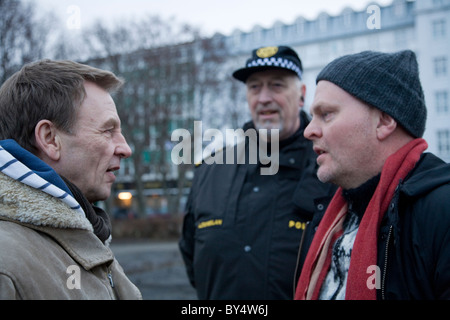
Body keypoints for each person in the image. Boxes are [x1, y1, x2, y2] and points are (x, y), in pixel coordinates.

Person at [179, 46, 336, 299]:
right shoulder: (210, 170)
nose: (264, 98)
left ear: (302, 95)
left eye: (276, 85)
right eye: (254, 87)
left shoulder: (333, 170)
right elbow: (192, 255)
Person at [295, 50, 450, 300]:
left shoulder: (441, 213)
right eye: (313, 116)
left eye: (326, 114)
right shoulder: (325, 216)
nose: (309, 130)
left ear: (384, 122)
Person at [0, 59, 142, 299]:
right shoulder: (7, 266)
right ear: (50, 139)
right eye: (108, 130)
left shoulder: (82, 234)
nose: (125, 148)